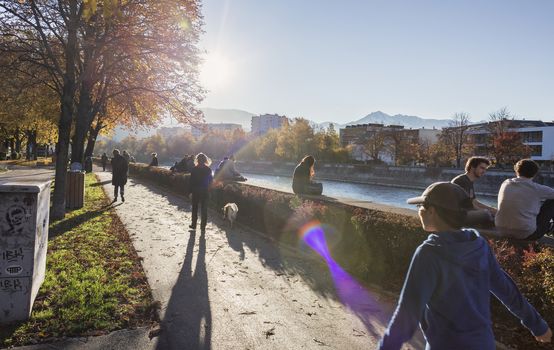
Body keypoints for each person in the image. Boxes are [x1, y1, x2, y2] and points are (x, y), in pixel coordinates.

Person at [379, 182, 552, 350]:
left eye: (420, 208)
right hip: (483, 343)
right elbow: (506, 289)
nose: (419, 212)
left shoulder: (429, 253)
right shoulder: (479, 245)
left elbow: (407, 315)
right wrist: (537, 325)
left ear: (432, 211)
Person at [495, 159, 554, 240]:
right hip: (526, 233)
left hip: (501, 230)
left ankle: (550, 227)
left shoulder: (505, 183)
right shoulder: (536, 188)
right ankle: (551, 227)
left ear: (516, 171)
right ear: (535, 174)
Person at [451, 157, 497, 225]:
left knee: (493, 213)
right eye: (482, 168)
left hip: (465, 212)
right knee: (488, 215)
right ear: (472, 167)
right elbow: (471, 205)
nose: (484, 171)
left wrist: (493, 209)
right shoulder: (462, 181)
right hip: (459, 215)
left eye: (485, 169)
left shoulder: (468, 181)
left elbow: (474, 202)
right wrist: (488, 211)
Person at [188, 153, 213, 232]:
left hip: (196, 191)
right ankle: (203, 227)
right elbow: (211, 182)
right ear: (205, 160)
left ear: (197, 160)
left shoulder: (194, 169)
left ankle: (193, 225)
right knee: (204, 210)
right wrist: (209, 191)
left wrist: (190, 192)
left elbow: (191, 182)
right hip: (205, 191)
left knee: (194, 208)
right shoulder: (208, 169)